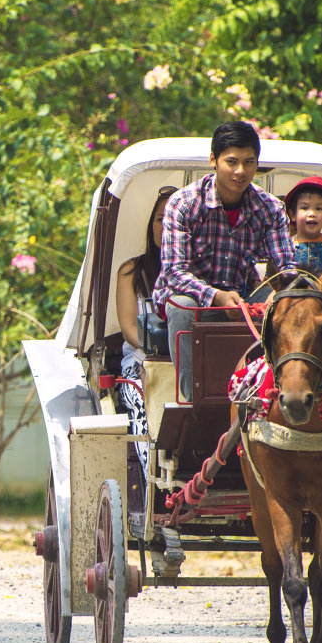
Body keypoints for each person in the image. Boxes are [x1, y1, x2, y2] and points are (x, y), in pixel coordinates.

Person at [153, 121, 298, 401]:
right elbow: (173, 272)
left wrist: (279, 294)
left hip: (244, 297)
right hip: (191, 298)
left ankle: (278, 391)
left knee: (292, 298)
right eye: (231, 162)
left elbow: (285, 267)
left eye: (249, 162)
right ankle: (194, 399)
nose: (241, 171)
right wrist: (216, 296)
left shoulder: (271, 209)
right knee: (184, 306)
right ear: (213, 160)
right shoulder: (182, 204)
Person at [114, 185, 175, 479]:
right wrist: (157, 353)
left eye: (174, 218)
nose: (166, 226)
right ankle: (152, 479)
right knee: (143, 399)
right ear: (151, 225)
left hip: (186, 362)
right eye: (160, 218)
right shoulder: (131, 273)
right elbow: (128, 328)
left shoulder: (200, 273)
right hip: (141, 360)